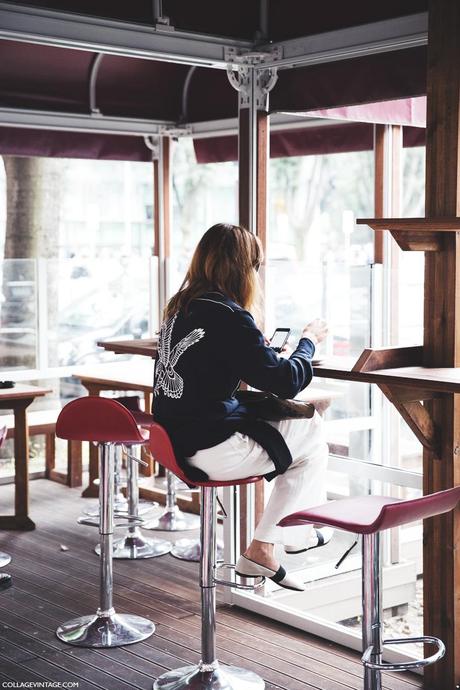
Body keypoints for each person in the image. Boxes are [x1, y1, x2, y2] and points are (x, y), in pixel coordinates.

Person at [153, 223, 331, 591]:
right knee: (313, 433)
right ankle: (279, 540)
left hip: (175, 441)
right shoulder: (229, 315)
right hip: (211, 448)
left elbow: (210, 363)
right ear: (242, 269)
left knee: (302, 433)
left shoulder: (181, 308)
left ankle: (277, 541)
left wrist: (257, 351)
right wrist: (308, 342)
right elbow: (285, 381)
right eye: (256, 267)